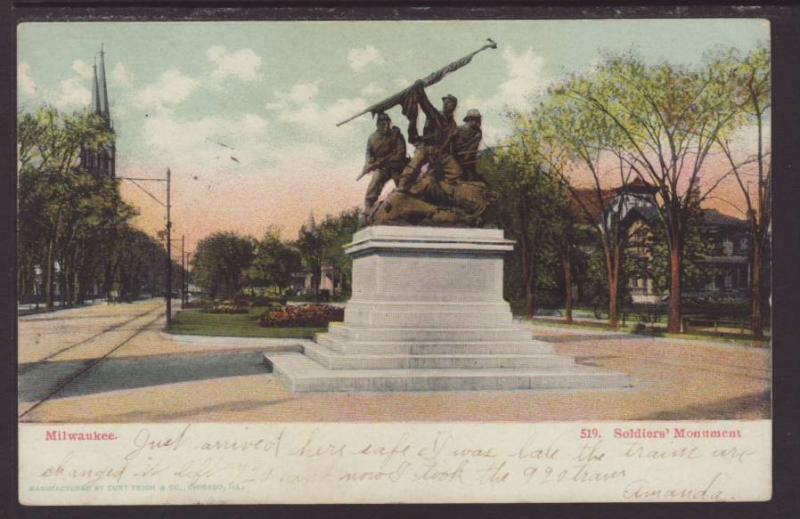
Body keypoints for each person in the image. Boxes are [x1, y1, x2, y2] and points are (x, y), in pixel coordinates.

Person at [397, 81, 464, 192]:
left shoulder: (453, 125)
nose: (447, 105)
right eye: (445, 103)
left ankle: (439, 190)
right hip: (426, 148)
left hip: (440, 152)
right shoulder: (436, 115)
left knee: (456, 172)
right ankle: (402, 186)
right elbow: (426, 104)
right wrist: (420, 90)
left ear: (454, 106)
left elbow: (452, 142)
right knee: (413, 166)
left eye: (450, 103)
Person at [360, 112, 408, 214]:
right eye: (382, 123)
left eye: (387, 122)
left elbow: (401, 152)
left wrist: (390, 160)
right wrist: (369, 163)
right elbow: (369, 154)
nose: (385, 125)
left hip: (397, 166)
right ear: (378, 124)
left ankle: (407, 202)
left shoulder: (396, 134)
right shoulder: (372, 138)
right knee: (375, 181)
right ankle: (369, 205)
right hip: (382, 168)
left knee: (403, 185)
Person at [453, 108, 484, 182]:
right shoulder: (459, 129)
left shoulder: (478, 132)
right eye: (477, 120)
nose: (479, 122)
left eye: (479, 120)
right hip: (456, 159)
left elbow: (473, 148)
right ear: (469, 119)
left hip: (469, 163)